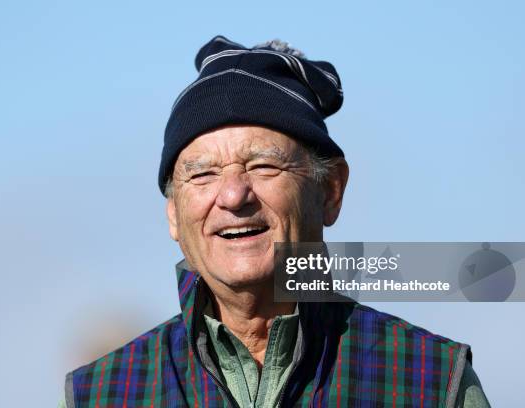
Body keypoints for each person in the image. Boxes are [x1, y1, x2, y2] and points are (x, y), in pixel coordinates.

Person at [62, 35, 490, 407]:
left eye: (264, 165)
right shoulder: (98, 394)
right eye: (202, 173)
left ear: (330, 191)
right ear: (173, 214)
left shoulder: (431, 382)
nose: (233, 196)